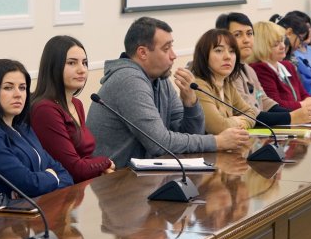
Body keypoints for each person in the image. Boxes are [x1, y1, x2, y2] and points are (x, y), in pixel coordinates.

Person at [87, 16, 249, 168]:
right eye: (166, 49)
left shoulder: (160, 79)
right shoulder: (128, 80)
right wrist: (217, 142)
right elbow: (160, 144)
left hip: (148, 174)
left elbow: (189, 134)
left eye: (172, 47)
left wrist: (190, 103)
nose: (173, 55)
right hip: (117, 179)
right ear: (142, 53)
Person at [0, 59, 73, 204]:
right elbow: (29, 184)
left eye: (22, 88)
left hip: (39, 206)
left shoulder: (23, 128)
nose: (18, 94)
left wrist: (42, 184)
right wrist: (51, 178)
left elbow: (65, 175)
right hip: (7, 215)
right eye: (8, 88)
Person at [31, 35, 115, 183]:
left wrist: (101, 168)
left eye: (84, 63)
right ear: (53, 67)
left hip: (83, 186)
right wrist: (105, 162)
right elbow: (74, 169)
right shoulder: (45, 110)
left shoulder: (76, 104)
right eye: (72, 63)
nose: (82, 70)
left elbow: (85, 157)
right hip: (62, 191)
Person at [216, 12, 311, 125]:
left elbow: (265, 102)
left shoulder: (248, 69)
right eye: (238, 35)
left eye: (249, 34)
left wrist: (298, 114)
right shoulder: (227, 73)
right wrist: (291, 117)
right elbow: (248, 113)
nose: (246, 40)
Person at [190, 28, 257, 134]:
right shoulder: (198, 86)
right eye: (219, 50)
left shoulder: (227, 83)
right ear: (204, 55)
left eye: (232, 51)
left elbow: (251, 113)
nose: (227, 57)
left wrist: (241, 123)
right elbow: (218, 127)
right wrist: (236, 121)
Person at [249, 22, 311, 111]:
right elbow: (275, 105)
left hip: (298, 116)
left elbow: (303, 94)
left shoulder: (288, 65)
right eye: (276, 44)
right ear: (262, 46)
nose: (283, 46)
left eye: (282, 41)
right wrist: (303, 104)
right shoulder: (259, 69)